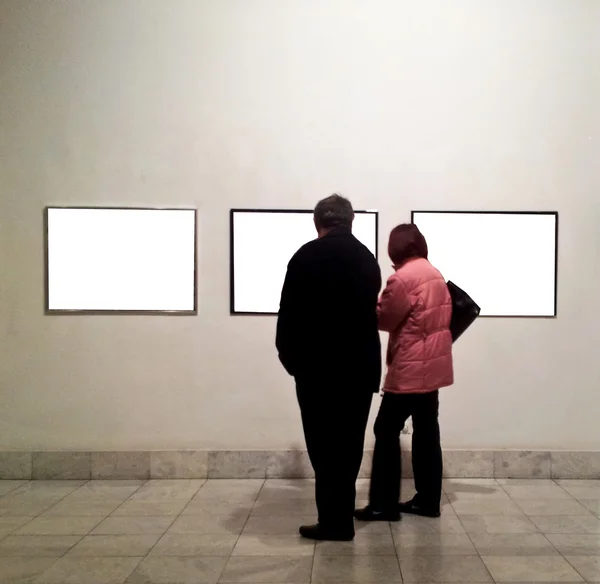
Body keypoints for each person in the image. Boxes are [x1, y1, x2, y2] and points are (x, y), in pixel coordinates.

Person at [276, 194, 382, 541]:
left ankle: (332, 521)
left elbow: (288, 317)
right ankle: (342, 521)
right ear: (351, 222)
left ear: (318, 222)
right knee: (349, 446)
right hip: (358, 370)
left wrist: (293, 363)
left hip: (316, 371)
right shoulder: (367, 260)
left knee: (322, 447)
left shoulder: (305, 256)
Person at [355, 223, 453, 522]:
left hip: (410, 369)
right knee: (427, 433)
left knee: (385, 430)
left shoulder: (403, 278)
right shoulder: (433, 273)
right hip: (433, 368)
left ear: (395, 249)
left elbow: (385, 320)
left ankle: (383, 504)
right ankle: (428, 501)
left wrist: (373, 303)